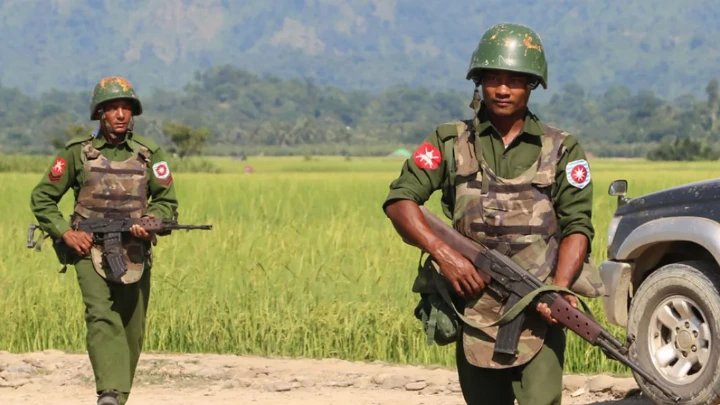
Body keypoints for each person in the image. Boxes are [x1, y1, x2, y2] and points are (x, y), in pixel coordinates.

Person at [382, 23, 602, 405]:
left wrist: (557, 292)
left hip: (539, 308)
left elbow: (577, 227)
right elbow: (401, 202)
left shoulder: (563, 148)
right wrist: (445, 255)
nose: (502, 89)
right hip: (474, 308)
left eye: (515, 80)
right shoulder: (450, 142)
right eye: (494, 78)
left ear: (532, 84)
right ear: (478, 82)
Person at [30, 76, 178, 405]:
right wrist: (66, 232)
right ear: (100, 114)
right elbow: (43, 198)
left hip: (133, 249)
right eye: (113, 108)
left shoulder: (150, 154)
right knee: (100, 314)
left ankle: (117, 396)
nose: (121, 114)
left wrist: (149, 223)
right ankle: (108, 393)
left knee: (132, 326)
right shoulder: (76, 154)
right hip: (87, 248)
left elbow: (167, 202)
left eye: (126, 108)